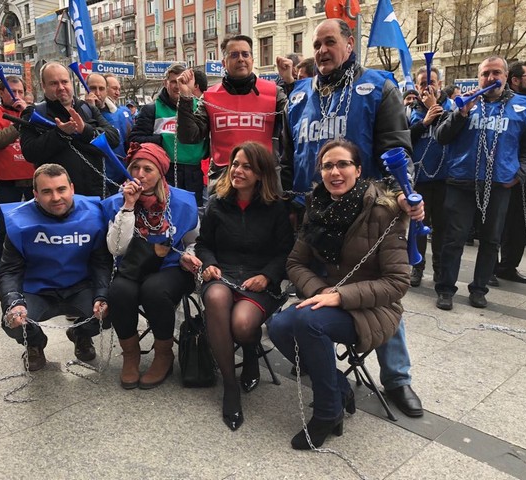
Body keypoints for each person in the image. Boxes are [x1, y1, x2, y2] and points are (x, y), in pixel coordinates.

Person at [278, 18, 424, 418]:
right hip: (313, 210)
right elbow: (288, 158)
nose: (322, 51)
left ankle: (397, 378)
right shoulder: (298, 95)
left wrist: (401, 198)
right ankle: (318, 358)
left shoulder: (377, 87)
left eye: (330, 42)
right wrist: (288, 203)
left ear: (349, 45)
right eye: (316, 44)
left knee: (378, 291)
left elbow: (397, 149)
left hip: (367, 213)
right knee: (313, 286)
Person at [269, 139, 410, 449]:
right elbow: (295, 263)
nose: (335, 172)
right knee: (278, 326)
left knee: (308, 322)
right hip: (328, 298)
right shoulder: (316, 207)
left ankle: (327, 411)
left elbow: (397, 282)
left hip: (375, 308)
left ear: (358, 170)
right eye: (328, 166)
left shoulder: (384, 211)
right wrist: (323, 291)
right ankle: (338, 387)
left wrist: (340, 296)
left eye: (343, 164)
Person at [195, 141, 293, 431]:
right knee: (215, 298)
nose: (237, 170)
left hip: (258, 279)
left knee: (242, 325)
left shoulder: (276, 208)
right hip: (222, 273)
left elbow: (286, 252)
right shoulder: (217, 202)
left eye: (247, 167)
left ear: (261, 173)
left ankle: (250, 352)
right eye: (235, 164)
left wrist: (267, 276)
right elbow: (203, 244)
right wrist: (209, 263)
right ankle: (230, 386)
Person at [434, 56, 526, 310]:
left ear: (506, 77)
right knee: (454, 238)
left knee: (491, 240)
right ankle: (446, 289)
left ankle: (480, 288)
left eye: (496, 73)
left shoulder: (522, 106)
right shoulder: (465, 103)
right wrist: (460, 114)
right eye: (485, 74)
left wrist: (519, 174)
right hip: (462, 182)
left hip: (499, 184)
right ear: (478, 78)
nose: (490, 78)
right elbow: (441, 137)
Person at [104, 142, 201, 389]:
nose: (140, 174)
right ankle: (131, 355)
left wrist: (189, 255)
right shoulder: (117, 202)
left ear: (160, 173)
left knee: (155, 290)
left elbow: (195, 241)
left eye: (148, 169)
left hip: (172, 267)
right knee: (119, 291)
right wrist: (128, 206)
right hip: (132, 266)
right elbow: (116, 249)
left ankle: (163, 354)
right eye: (135, 168)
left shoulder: (182, 202)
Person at [0, 164, 112, 371]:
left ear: (72, 188)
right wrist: (13, 303)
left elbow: (101, 262)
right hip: (37, 290)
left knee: (113, 310)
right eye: (47, 192)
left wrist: (102, 296)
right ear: (35, 194)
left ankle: (81, 334)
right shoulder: (19, 221)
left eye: (61, 189)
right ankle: (35, 342)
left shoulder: (94, 215)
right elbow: (9, 271)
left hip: (80, 287)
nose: (56, 197)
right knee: (11, 320)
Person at [176, 35, 288, 189]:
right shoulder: (210, 97)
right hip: (223, 181)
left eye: (245, 54)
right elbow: (189, 136)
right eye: (234, 55)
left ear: (252, 60)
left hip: (264, 182)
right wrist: (185, 97)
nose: (241, 59)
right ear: (224, 63)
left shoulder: (274, 93)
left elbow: (295, 123)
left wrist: (291, 83)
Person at [20, 62, 120, 197]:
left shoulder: (87, 108)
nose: (61, 87)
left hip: (95, 196)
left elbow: (114, 138)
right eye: (54, 83)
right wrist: (59, 134)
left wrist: (85, 130)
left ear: (71, 82)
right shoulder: (34, 113)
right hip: (57, 199)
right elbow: (30, 152)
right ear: (43, 86)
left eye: (64, 82)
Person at [0, 75, 35, 293]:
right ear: (1, 92)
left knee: (35, 227)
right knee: (3, 230)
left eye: (20, 92)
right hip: (7, 181)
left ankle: (33, 270)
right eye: (12, 91)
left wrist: (28, 114)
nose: (17, 96)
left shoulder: (33, 112)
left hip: (33, 179)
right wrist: (22, 121)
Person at [129, 64, 209, 206]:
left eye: (182, 81)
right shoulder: (151, 109)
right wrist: (163, 141)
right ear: (165, 83)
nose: (178, 86)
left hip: (193, 173)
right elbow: (134, 140)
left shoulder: (201, 107)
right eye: (173, 82)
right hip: (164, 171)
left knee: (192, 213)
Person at [494, 61, 526, 285]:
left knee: (518, 225)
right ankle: (489, 267)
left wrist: (522, 173)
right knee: (496, 224)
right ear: (515, 80)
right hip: (501, 175)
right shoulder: (503, 103)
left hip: (521, 176)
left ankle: (508, 266)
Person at [408, 66, 453, 286]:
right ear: (417, 87)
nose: (428, 87)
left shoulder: (451, 107)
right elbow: (404, 139)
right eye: (423, 83)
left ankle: (439, 268)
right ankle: (418, 266)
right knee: (418, 226)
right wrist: (424, 122)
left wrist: (435, 109)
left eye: (432, 82)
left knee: (442, 228)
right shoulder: (409, 112)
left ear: (440, 84)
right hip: (420, 180)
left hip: (445, 178)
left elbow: (451, 133)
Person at [85, 73, 133, 190]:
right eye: (93, 88)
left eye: (101, 89)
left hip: (119, 177)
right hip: (94, 180)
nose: (97, 93)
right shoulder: (80, 112)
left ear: (106, 91)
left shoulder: (119, 114)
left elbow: (128, 143)